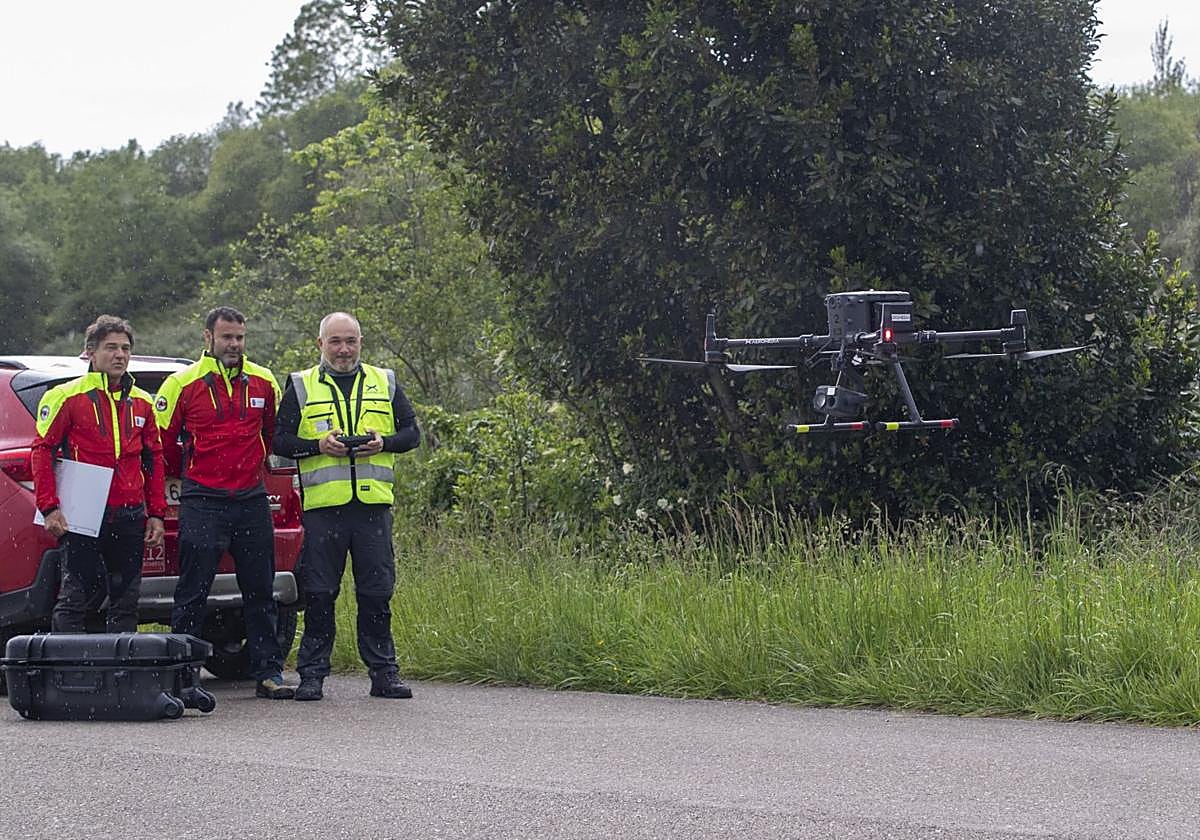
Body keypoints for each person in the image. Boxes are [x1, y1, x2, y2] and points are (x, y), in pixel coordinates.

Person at [273, 311, 420, 701]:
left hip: (372, 508)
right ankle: (312, 675)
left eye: (350, 341)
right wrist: (317, 446)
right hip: (324, 510)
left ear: (361, 342)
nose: (343, 350)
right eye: (335, 342)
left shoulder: (384, 381)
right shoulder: (301, 385)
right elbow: (280, 441)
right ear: (320, 344)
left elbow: (411, 434)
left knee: (377, 592)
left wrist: (383, 442)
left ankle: (384, 674)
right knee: (320, 594)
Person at [154, 306, 295, 699]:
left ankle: (268, 673)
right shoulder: (182, 384)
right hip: (202, 498)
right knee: (192, 590)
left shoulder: (264, 381)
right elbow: (162, 446)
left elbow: (271, 435)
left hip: (250, 498)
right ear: (208, 338)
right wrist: (188, 477)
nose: (234, 344)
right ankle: (183, 676)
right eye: (226, 337)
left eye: (239, 337)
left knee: (260, 589)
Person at [32, 315, 166, 633]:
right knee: (75, 597)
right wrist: (49, 506)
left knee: (126, 600)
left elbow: (155, 459)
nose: (120, 355)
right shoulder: (66, 396)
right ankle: (68, 676)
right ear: (91, 353)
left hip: (130, 515)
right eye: (111, 348)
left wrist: (156, 513)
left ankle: (122, 677)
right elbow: (41, 452)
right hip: (84, 515)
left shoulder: (143, 402)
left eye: (125, 348)